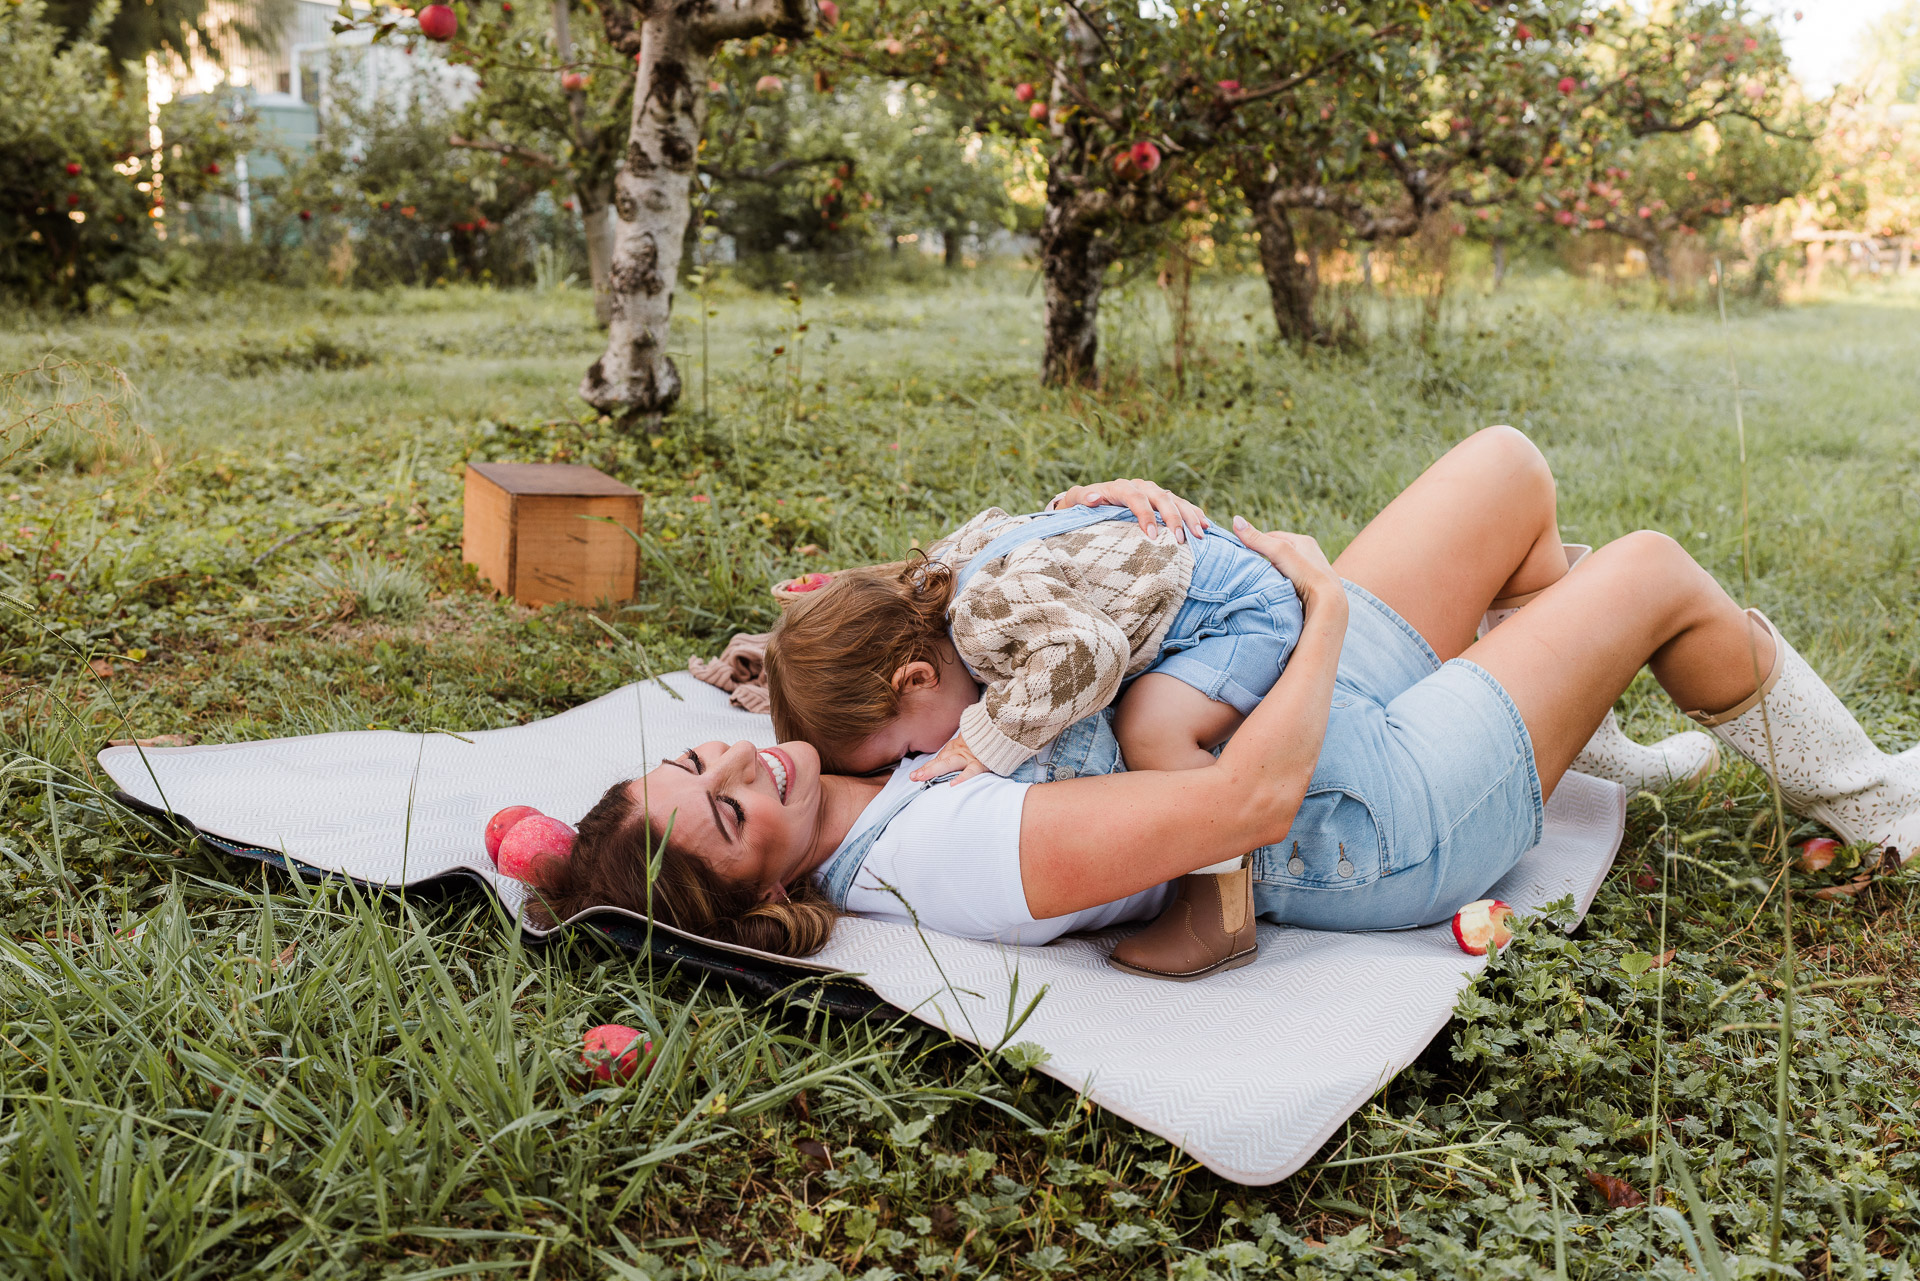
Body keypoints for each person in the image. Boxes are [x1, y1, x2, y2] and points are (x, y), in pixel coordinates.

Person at [530, 428, 1920, 978]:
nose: (748, 771)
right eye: (724, 815)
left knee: (1508, 473)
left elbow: (920, 622)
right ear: (765, 902)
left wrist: (1092, 520)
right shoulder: (941, 846)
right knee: (1655, 571)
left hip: (1283, 702)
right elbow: (1242, 804)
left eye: (706, 758)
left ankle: (1581, 726)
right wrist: (1310, 605)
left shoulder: (832, 738)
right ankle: (1876, 808)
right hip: (1366, 809)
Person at [761, 486, 1304, 979]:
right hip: (1199, 581)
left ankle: (1221, 909)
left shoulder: (981, 624)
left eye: (905, 748)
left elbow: (1093, 652)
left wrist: (985, 736)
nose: (923, 754)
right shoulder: (940, 577)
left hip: (1237, 613)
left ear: (918, 678)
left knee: (1152, 728)